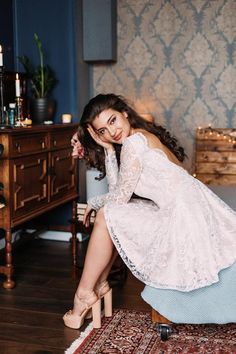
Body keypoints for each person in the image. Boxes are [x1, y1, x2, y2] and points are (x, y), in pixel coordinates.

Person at [63, 93, 236, 329]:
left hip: (185, 214)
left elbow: (119, 197)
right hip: (187, 207)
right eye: (102, 131)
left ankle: (85, 293)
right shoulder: (141, 137)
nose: (111, 132)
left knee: (106, 213)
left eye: (112, 121)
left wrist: (93, 202)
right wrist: (108, 150)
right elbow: (118, 192)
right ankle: (98, 286)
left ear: (124, 113)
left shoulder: (134, 143)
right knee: (110, 213)